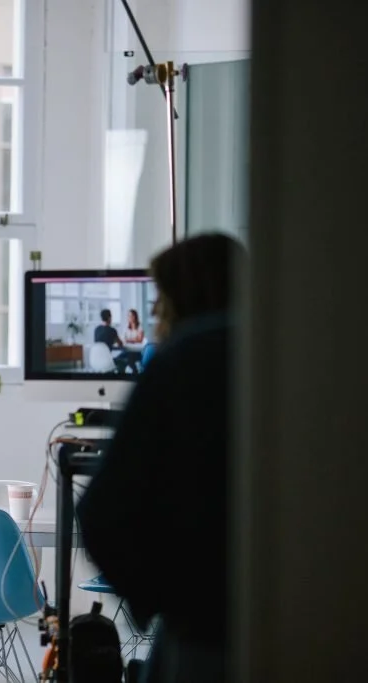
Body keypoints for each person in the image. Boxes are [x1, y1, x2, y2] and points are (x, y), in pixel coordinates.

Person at [76, 233, 245, 683]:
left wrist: (155, 601)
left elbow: (100, 514)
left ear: (186, 298)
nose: (154, 313)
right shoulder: (287, 359)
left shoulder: (180, 361)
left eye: (161, 299)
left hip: (198, 630)